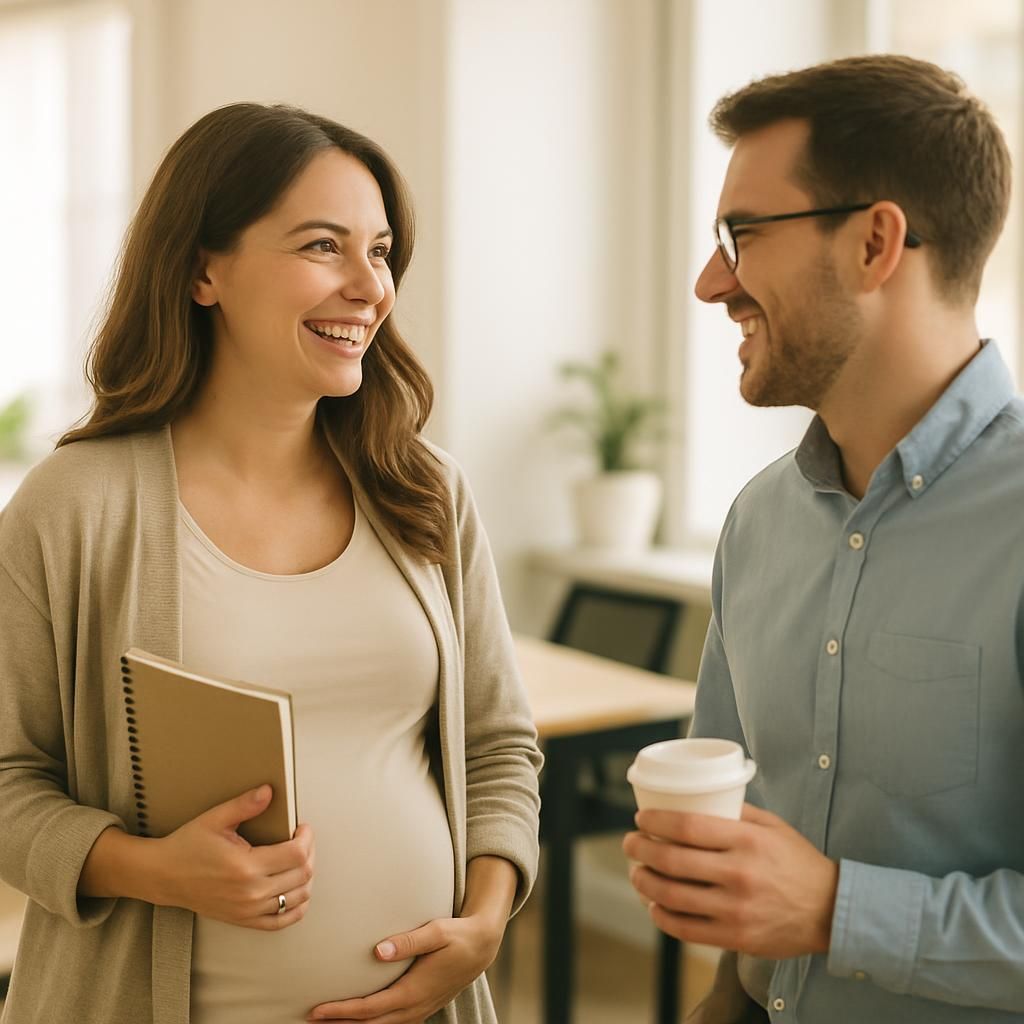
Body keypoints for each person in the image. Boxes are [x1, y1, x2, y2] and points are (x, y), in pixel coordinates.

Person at [0, 102, 541, 1024]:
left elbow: (497, 745)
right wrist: (147, 868)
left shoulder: (424, 492)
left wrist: (484, 923)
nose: (368, 286)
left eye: (379, 252)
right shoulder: (77, 504)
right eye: (322, 246)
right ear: (204, 268)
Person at [623, 54, 1024, 1023]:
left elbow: (804, 902)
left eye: (742, 233)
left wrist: (837, 908)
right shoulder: (757, 520)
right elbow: (739, 842)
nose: (710, 280)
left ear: (875, 243)